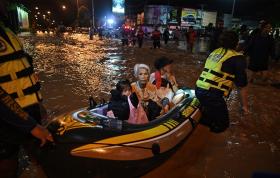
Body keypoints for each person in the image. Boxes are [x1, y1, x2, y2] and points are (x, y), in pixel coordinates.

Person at [0, 3, 53, 177]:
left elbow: (22, 73)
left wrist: (38, 104)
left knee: (42, 158)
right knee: (7, 164)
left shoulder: (7, 31)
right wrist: (30, 125)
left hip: (29, 114)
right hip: (9, 119)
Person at [195, 31, 249, 133]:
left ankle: (202, 123)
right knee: (223, 125)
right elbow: (241, 86)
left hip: (199, 89)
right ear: (236, 43)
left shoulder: (215, 52)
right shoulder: (238, 58)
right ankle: (203, 135)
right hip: (212, 95)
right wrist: (244, 106)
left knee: (210, 116)